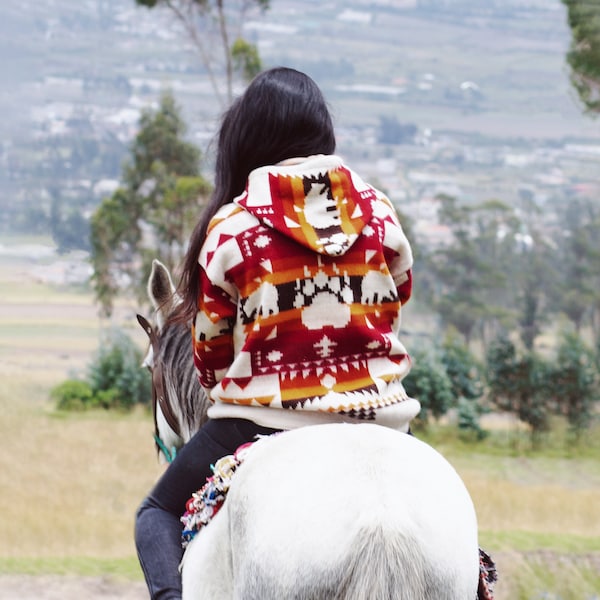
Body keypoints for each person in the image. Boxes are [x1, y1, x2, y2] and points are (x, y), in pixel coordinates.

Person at [135, 66, 420, 600]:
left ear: (250, 136)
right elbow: (398, 296)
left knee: (156, 512)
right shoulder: (379, 211)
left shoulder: (233, 225)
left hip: (261, 422)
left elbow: (211, 356)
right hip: (381, 419)